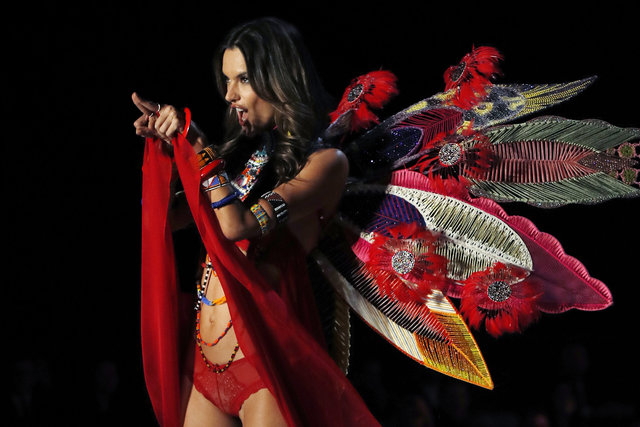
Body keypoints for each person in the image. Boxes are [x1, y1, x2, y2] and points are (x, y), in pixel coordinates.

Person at [133, 17, 380, 427]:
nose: (229, 94)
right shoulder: (243, 158)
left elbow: (237, 225)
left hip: (267, 365)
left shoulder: (325, 163)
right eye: (227, 80)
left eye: (243, 79)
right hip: (206, 360)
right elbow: (168, 219)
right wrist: (169, 151)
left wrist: (199, 149)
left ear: (279, 77)